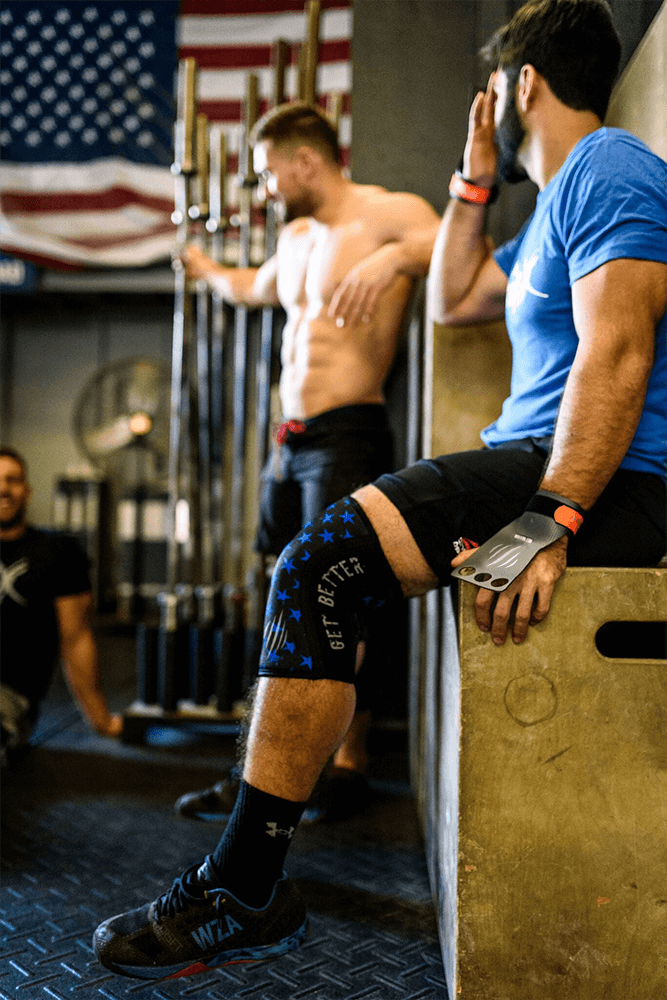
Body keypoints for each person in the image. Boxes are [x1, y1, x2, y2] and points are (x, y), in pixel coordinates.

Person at [93, 0, 666, 980]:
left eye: (496, 93)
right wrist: (473, 182)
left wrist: (548, 516)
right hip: (540, 460)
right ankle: (253, 870)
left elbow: (616, 351)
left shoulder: (611, 166)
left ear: (520, 86)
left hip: (601, 477)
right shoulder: (557, 200)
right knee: (316, 571)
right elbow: (452, 299)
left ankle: (243, 885)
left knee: (318, 561)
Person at [173, 101, 440, 822]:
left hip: (348, 431)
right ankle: (262, 770)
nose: (264, 190)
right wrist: (201, 267)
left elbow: (453, 250)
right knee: (278, 595)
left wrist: (390, 257)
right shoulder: (294, 239)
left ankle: (347, 766)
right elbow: (251, 289)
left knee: (339, 597)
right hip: (287, 443)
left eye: (266, 175)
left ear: (304, 161)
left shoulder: (387, 215)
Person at [0, 448, 122, 764]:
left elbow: (76, 637)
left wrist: (102, 720)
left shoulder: (57, 551)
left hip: (9, 694)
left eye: (12, 480)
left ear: (26, 490)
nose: (3, 489)